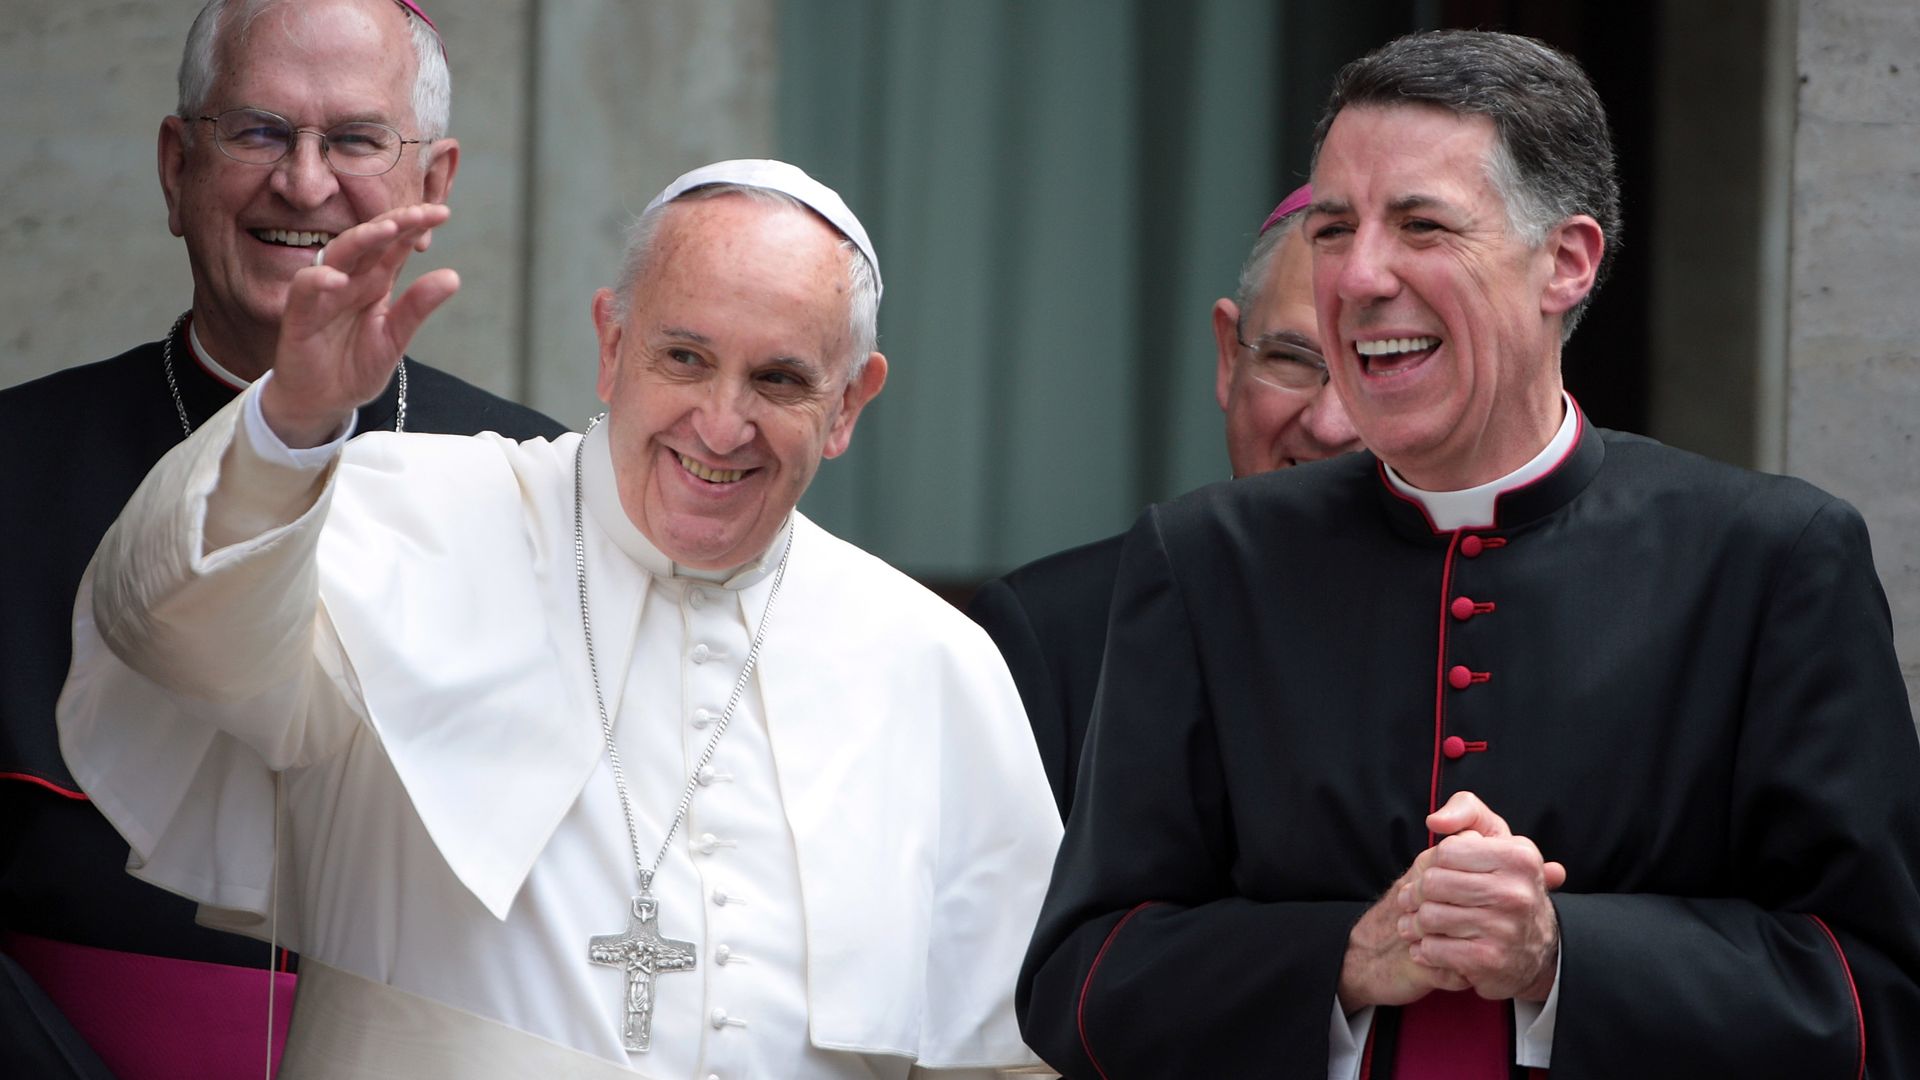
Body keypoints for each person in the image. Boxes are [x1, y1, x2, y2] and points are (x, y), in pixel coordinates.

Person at [1017, 29, 1920, 1079]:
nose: (1358, 276)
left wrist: (1559, 958)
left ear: (1566, 264)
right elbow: (1080, 986)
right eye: (1333, 228)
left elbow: (1879, 1004)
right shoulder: (1206, 560)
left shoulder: (1770, 561)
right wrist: (1347, 959)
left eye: (1422, 226)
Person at [59, 159, 1060, 1078]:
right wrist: (292, 428)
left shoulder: (932, 664)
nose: (720, 424)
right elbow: (177, 628)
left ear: (848, 405)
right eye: (684, 356)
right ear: (612, 345)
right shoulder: (407, 524)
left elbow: (1004, 1051)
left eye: (780, 379)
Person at [0, 2, 565, 1076]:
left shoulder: (543, 498)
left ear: (432, 184)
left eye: (355, 139)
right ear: (177, 169)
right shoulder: (13, 464)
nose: (303, 183)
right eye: (258, 130)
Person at [966, 185, 1359, 817]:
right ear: (1229, 356)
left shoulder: (1490, 624)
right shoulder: (1050, 635)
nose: (1330, 423)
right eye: (1291, 358)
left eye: (1375, 364)